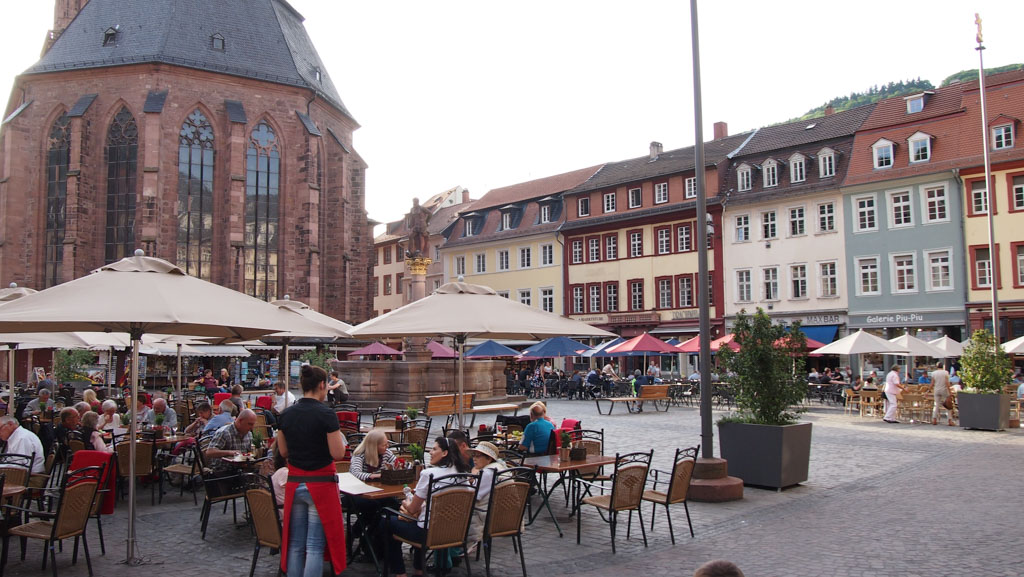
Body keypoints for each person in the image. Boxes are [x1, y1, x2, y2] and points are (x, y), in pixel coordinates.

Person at [276, 364, 348, 577]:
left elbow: (283, 451)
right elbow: (337, 453)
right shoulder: (326, 414)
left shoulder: (286, 415)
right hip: (321, 483)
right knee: (315, 545)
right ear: (323, 385)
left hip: (295, 481)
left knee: (296, 544)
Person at [383, 436, 472, 577]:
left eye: (435, 448)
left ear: (445, 453)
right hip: (454, 532)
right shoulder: (462, 474)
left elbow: (412, 509)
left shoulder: (429, 474)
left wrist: (406, 504)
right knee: (419, 520)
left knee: (387, 522)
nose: (430, 452)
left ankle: (400, 572)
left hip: (429, 534)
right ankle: (418, 569)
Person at [467, 441, 507, 547]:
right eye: (473, 456)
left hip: (491, 516)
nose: (474, 459)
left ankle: (459, 547)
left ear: (489, 458)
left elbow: (475, 496)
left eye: (478, 456)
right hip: (506, 513)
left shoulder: (488, 473)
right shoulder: (499, 468)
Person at [205, 408, 257, 476]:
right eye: (250, 424)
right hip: (222, 471)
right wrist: (229, 452)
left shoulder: (248, 434)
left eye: (253, 424)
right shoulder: (224, 432)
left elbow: (248, 453)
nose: (252, 427)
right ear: (240, 421)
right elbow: (209, 452)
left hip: (239, 470)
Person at [930, 362, 955, 426]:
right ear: (943, 366)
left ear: (936, 366)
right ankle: (949, 420)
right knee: (948, 405)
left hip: (936, 390)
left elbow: (932, 383)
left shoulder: (933, 373)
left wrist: (928, 390)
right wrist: (950, 392)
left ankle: (934, 419)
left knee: (936, 405)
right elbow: (947, 383)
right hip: (944, 390)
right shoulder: (945, 372)